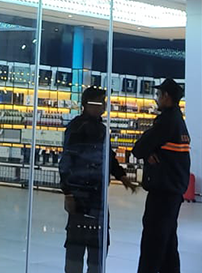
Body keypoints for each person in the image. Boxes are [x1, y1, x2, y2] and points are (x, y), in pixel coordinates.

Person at [60, 87, 138, 273]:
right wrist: (68, 192)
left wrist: (122, 176)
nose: (104, 106)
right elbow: (66, 161)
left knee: (99, 246)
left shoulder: (101, 129)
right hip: (80, 195)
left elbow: (108, 157)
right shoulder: (76, 128)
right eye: (101, 102)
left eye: (104, 102)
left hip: (98, 195)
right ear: (88, 105)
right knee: (76, 246)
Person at [132, 79, 190, 273]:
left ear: (166, 96)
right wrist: (151, 153)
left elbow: (139, 148)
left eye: (158, 95)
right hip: (174, 190)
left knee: (153, 241)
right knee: (168, 241)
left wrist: (147, 152)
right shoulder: (179, 121)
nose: (156, 99)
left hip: (163, 190)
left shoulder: (166, 121)